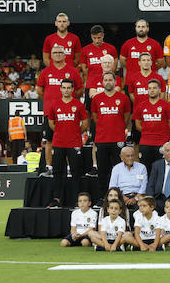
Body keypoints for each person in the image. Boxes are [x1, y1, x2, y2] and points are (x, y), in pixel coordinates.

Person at [37, 44, 84, 175]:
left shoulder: (72, 71)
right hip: (50, 113)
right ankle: (49, 168)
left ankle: (69, 169)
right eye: (55, 52)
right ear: (51, 55)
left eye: (60, 52)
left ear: (65, 55)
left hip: (70, 113)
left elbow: (79, 89)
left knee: (69, 140)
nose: (58, 54)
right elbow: (40, 91)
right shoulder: (45, 72)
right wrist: (51, 103)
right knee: (49, 141)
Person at [46, 79, 88, 207]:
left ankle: (78, 200)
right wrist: (61, 132)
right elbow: (51, 123)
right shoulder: (55, 105)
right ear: (60, 89)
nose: (66, 90)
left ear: (73, 89)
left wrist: (75, 132)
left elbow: (85, 123)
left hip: (74, 143)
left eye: (69, 88)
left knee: (76, 172)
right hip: (58, 143)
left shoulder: (78, 105)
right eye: (64, 87)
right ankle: (57, 199)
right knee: (58, 172)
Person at [91, 72, 131, 189]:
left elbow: (126, 117)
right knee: (102, 170)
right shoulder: (96, 99)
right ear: (102, 82)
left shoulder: (123, 98)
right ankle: (103, 197)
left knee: (120, 169)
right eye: (106, 80)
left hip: (118, 139)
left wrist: (118, 127)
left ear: (115, 82)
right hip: (102, 139)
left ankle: (120, 196)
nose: (108, 82)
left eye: (110, 80)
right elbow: (95, 117)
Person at [134, 79, 170, 171]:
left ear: (159, 90)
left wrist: (161, 132)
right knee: (145, 171)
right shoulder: (141, 106)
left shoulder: (167, 106)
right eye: (150, 88)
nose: (152, 90)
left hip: (162, 143)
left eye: (154, 88)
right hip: (145, 143)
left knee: (161, 171)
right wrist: (148, 131)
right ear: (147, 90)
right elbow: (137, 125)